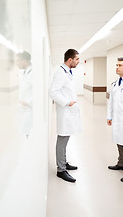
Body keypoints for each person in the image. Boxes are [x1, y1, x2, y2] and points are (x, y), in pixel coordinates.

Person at [49, 49, 82, 183]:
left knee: (65, 139)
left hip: (69, 112)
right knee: (62, 140)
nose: (78, 61)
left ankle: (63, 162)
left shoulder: (66, 72)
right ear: (70, 60)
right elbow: (53, 92)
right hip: (65, 112)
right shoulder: (60, 73)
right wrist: (67, 102)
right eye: (77, 59)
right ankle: (61, 169)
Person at [15, 51, 33, 138]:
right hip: (24, 109)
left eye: (18, 60)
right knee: (24, 132)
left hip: (30, 109)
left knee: (28, 133)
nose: (16, 63)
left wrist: (27, 102)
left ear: (24, 61)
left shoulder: (33, 73)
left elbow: (38, 92)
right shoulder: (25, 72)